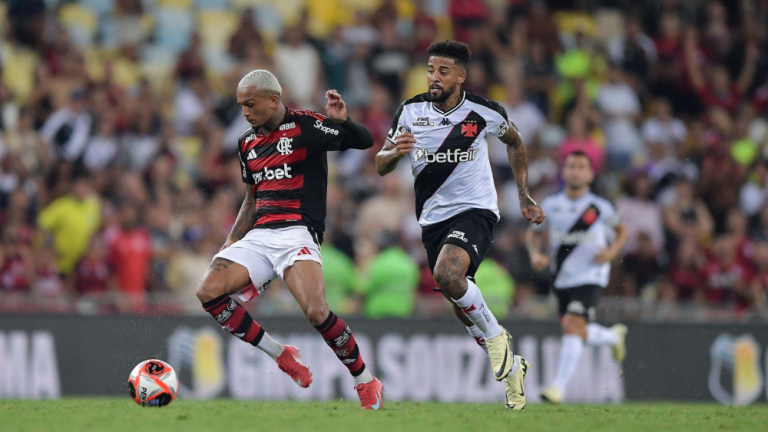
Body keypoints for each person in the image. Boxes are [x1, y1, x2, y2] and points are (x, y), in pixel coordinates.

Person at [194, 70, 383, 409]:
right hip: (260, 235)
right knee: (208, 292)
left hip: (298, 232)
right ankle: (280, 354)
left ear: (273, 99)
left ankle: (365, 380)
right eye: (241, 106)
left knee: (316, 311)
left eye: (250, 104)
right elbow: (252, 200)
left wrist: (344, 122)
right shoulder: (246, 144)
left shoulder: (307, 126)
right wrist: (230, 243)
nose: (245, 113)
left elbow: (365, 140)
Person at [375, 40, 545, 410]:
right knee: (456, 293)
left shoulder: (483, 112)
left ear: (461, 77)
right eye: (431, 70)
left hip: (475, 210)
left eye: (443, 71)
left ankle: (498, 336)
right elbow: (380, 163)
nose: (434, 77)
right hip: (433, 219)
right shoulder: (410, 110)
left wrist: (523, 194)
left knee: (448, 274)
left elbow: (515, 142)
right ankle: (513, 367)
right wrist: (395, 152)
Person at [527, 151, 629, 404]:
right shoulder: (550, 205)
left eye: (581, 167)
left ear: (590, 174)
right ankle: (612, 337)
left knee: (572, 325)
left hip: (592, 275)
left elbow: (622, 231)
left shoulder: (600, 207)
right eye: (571, 166)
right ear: (564, 172)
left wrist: (611, 252)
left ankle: (557, 389)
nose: (575, 171)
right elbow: (532, 234)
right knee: (574, 328)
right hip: (561, 277)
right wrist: (535, 254)